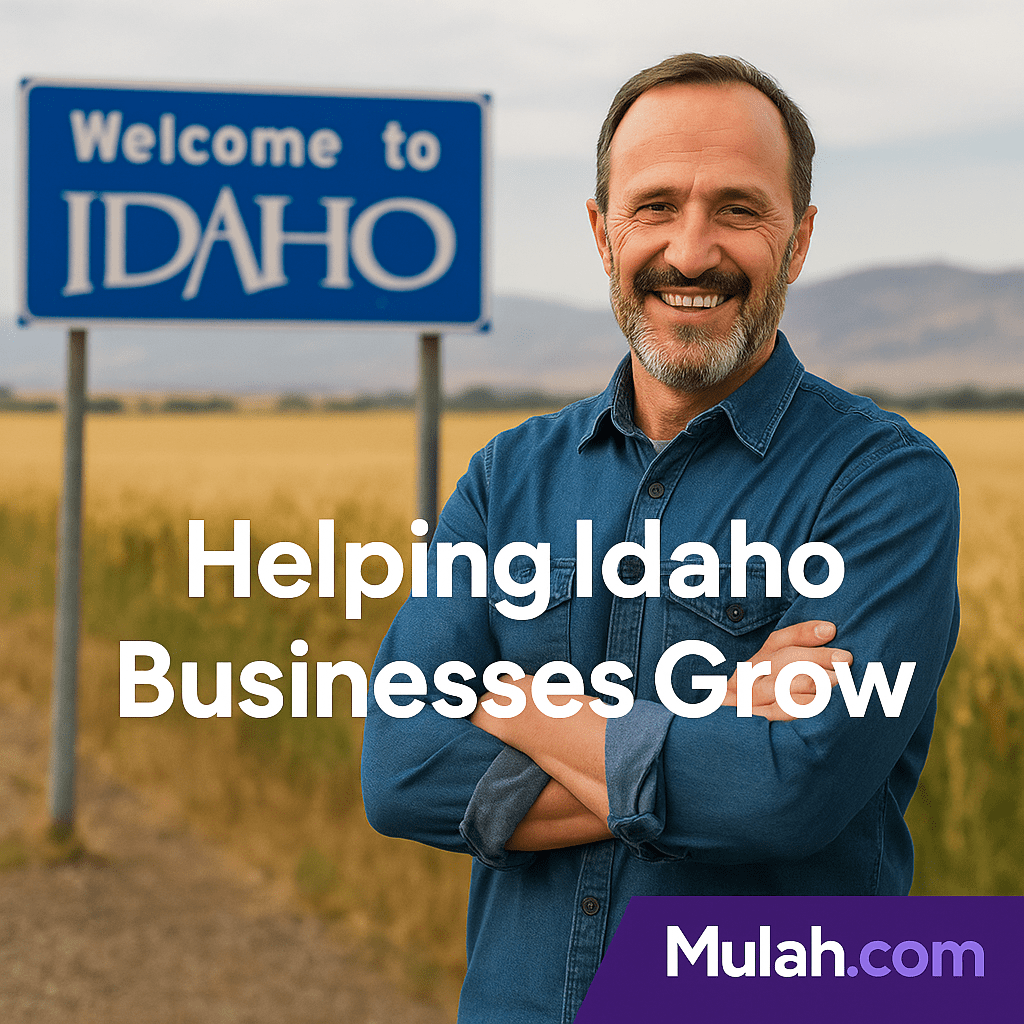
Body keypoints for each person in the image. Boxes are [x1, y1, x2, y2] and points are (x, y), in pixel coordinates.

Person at [361, 53, 959, 1024]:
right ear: (601, 233)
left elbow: (787, 792)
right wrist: (714, 710)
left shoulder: (884, 482)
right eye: (652, 207)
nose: (690, 252)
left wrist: (522, 709)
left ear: (798, 240)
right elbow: (401, 771)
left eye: (737, 209)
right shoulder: (507, 477)